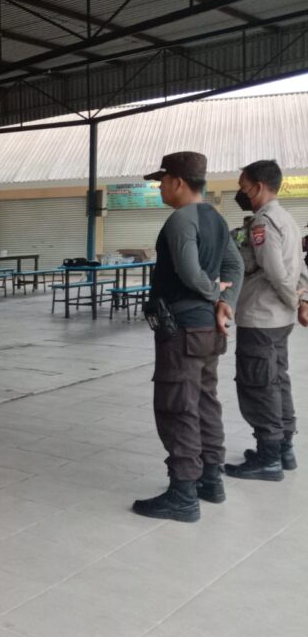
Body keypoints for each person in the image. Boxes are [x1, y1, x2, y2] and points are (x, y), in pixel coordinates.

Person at [132, 152, 243, 522]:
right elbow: (235, 265)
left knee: (177, 405)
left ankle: (182, 494)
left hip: (182, 329)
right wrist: (226, 303)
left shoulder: (181, 219)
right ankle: (210, 479)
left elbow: (189, 272)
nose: (160, 188)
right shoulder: (215, 217)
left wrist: (213, 295)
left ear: (178, 181)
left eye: (162, 181)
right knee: (204, 401)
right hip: (207, 329)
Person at [224, 160, 308, 481]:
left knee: (258, 383)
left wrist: (295, 300)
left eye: (243, 187)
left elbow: (275, 271)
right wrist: (299, 301)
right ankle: (283, 449)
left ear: (258, 187)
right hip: (278, 319)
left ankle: (268, 457)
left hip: (261, 316)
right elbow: (299, 267)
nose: (241, 193)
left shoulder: (263, 222)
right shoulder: (287, 219)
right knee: (277, 380)